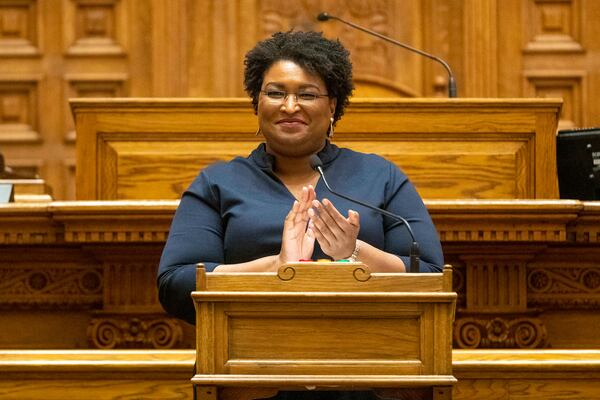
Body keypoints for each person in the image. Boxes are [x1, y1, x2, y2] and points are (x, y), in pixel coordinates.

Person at [157, 30, 444, 400]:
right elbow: (175, 284)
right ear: (256, 103)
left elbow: (434, 278)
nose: (290, 106)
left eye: (307, 94)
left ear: (333, 105)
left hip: (370, 375)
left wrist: (354, 253)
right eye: (276, 93)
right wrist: (275, 266)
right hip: (250, 378)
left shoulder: (380, 176)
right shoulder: (218, 182)